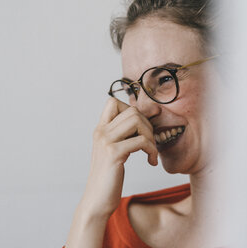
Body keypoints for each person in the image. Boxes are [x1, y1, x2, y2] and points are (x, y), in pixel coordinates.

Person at [64, 0, 219, 247]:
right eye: (132, 90)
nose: (142, 109)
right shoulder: (110, 230)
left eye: (166, 78)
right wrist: (91, 211)